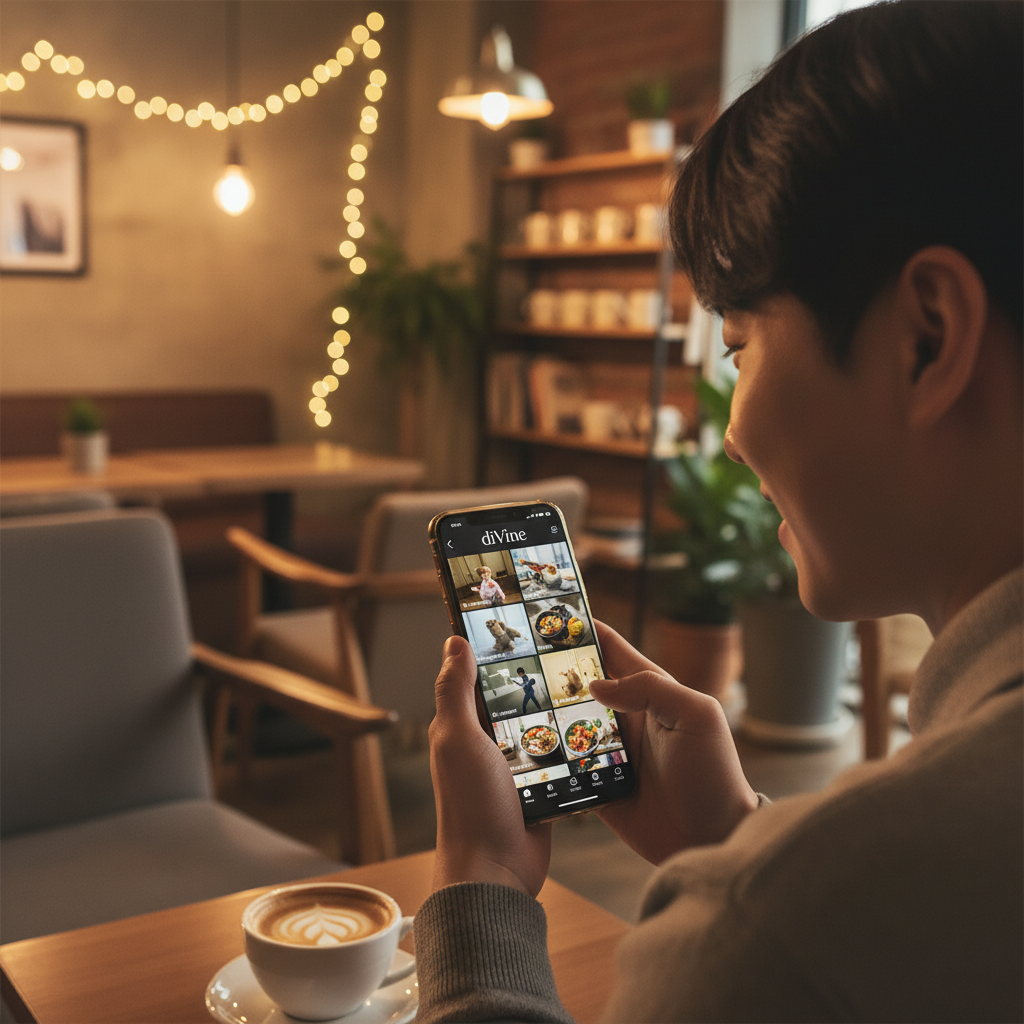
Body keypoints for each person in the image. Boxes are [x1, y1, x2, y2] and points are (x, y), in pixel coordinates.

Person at [413, 2, 1023, 1021]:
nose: (731, 434)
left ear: (927, 336)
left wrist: (480, 883)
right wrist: (733, 832)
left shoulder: (776, 932)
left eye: (738, 348)